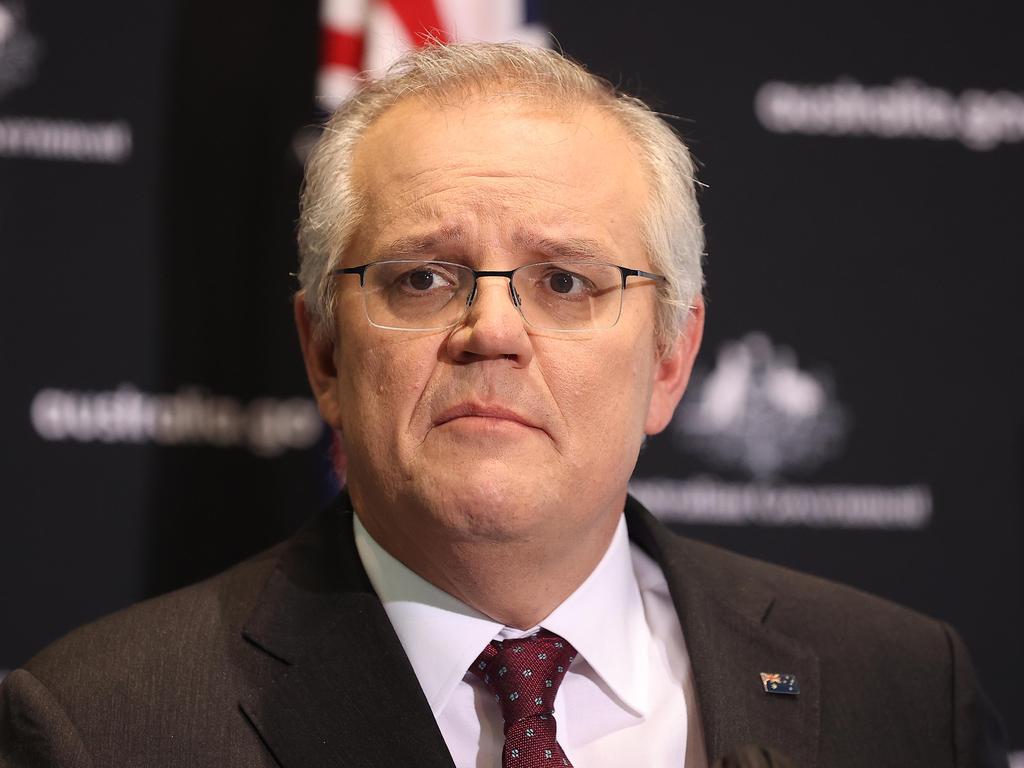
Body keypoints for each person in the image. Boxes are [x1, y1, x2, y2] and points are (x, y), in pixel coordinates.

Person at [0, 42, 1008, 768]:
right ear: (323, 355)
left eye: (565, 282)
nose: (492, 330)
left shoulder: (900, 688)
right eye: (423, 279)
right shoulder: (105, 727)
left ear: (669, 361)